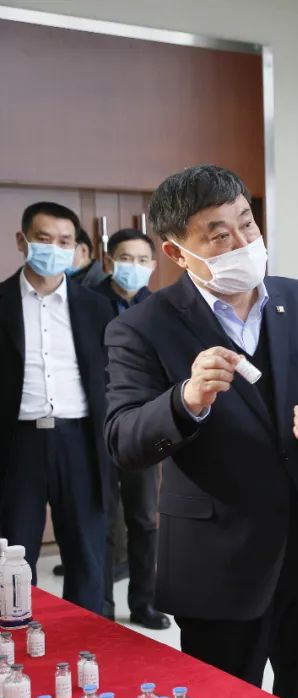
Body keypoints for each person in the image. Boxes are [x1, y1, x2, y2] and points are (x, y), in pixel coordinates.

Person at [103, 165, 298, 698]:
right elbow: (123, 440)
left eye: (246, 224)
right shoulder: (143, 326)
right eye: (219, 235)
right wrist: (186, 401)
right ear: (177, 253)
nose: (243, 243)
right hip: (219, 563)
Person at [0, 202, 113, 613]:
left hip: (80, 439)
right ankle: (13, 639)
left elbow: (109, 376)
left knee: (86, 553)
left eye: (65, 242)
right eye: (44, 239)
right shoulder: (2, 302)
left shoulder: (95, 306)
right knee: (14, 555)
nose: (55, 249)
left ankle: (86, 639)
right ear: (22, 240)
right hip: (19, 442)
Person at [93, 228, 170, 630]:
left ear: (153, 266)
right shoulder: (88, 303)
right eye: (125, 258)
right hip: (96, 426)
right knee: (103, 521)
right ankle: (102, 604)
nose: (133, 267)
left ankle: (144, 603)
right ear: (109, 261)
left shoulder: (158, 309)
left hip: (141, 426)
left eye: (142, 260)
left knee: (143, 519)